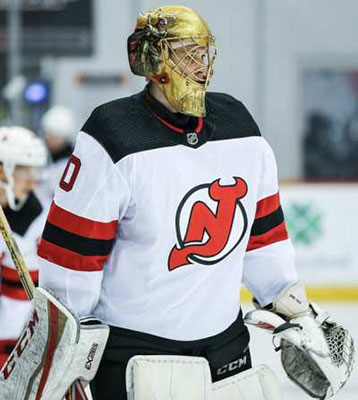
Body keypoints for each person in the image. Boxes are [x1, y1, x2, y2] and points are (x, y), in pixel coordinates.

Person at [0, 6, 353, 400]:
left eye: (203, 52)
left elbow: (263, 237)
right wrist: (68, 349)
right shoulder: (112, 134)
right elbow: (72, 259)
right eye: (186, 52)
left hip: (226, 351)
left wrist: (293, 307)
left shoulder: (240, 126)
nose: (201, 65)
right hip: (135, 356)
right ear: (152, 59)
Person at [0, 126, 47, 368]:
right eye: (21, 169)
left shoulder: (36, 216)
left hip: (25, 339)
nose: (31, 178)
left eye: (34, 170)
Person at [36, 105, 75, 204]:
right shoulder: (46, 160)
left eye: (50, 134)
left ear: (62, 136)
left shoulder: (69, 167)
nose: (46, 138)